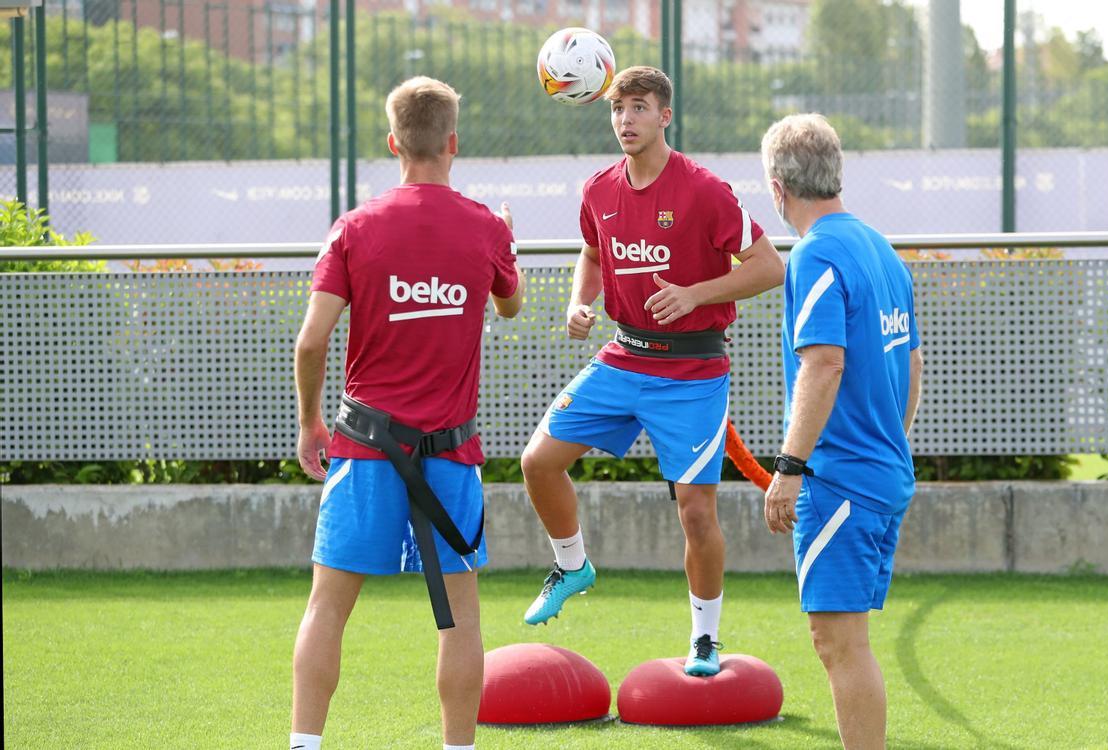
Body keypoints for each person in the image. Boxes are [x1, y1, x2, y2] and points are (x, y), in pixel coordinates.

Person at [519, 66, 785, 677]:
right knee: (538, 460)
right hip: (623, 355)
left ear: (665, 116)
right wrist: (579, 302)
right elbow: (591, 252)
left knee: (695, 511)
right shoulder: (598, 189)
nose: (626, 120)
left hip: (693, 369)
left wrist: (695, 293)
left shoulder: (704, 190)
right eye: (618, 110)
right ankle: (572, 564)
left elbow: (769, 267)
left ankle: (705, 639)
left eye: (639, 108)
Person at [290, 76, 524, 750]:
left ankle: (304, 744)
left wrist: (311, 424)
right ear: (453, 143)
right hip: (450, 456)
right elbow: (509, 307)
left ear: (394, 143)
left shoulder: (355, 228)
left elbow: (311, 340)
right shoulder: (484, 227)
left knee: (328, 608)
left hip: (362, 449)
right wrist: (505, 241)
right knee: (461, 620)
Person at [760, 113, 923, 750]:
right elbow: (911, 359)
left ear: (778, 188)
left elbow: (824, 362)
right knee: (846, 641)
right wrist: (896, 443)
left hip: (841, 480)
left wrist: (789, 469)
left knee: (839, 643)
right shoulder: (878, 247)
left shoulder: (816, 252)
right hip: (882, 475)